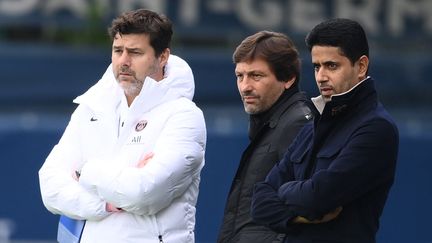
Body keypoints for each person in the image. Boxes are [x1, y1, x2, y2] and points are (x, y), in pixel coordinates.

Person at [38, 9, 206, 243]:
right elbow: (50, 187)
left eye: (135, 52)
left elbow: (144, 193)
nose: (124, 61)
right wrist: (105, 203)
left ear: (163, 56)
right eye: (118, 51)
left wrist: (85, 172)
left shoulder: (184, 115)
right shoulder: (92, 107)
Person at [251, 18, 399, 243]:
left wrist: (284, 191)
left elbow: (319, 198)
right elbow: (259, 203)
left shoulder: (376, 129)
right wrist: (300, 217)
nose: (321, 76)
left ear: (361, 66)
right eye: (316, 66)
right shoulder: (313, 126)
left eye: (332, 65)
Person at [217, 31, 314, 243]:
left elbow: (308, 205)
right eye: (239, 76)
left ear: (288, 78)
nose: (245, 87)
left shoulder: (297, 123)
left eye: (256, 76)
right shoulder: (271, 123)